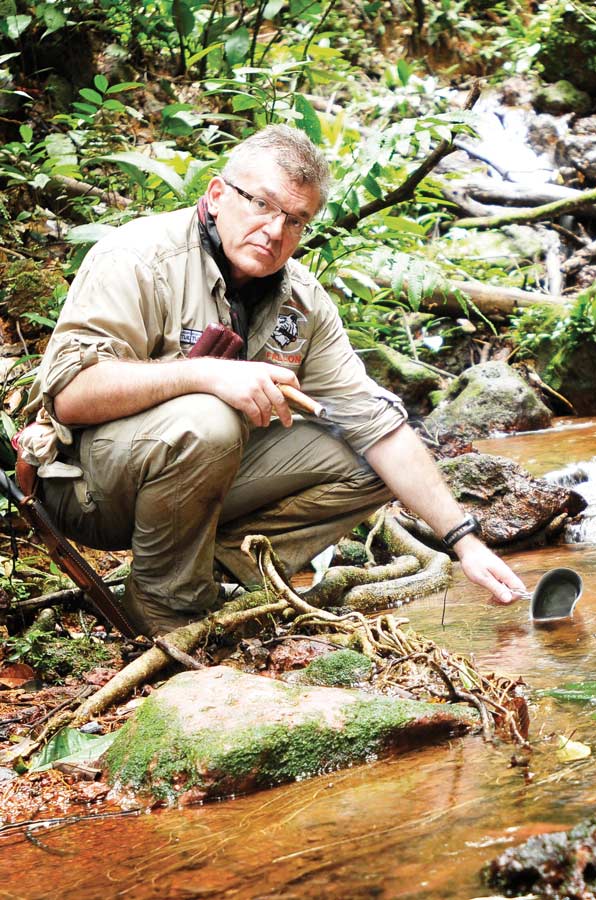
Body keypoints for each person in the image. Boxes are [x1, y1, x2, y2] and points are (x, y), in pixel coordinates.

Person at [24, 124, 525, 637]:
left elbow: (376, 425)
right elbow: (69, 396)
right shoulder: (138, 257)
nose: (274, 231)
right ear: (218, 195)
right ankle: (164, 610)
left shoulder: (302, 300)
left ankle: (222, 568)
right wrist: (208, 374)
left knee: (370, 457)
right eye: (261, 204)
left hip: (197, 480)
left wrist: (464, 541)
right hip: (87, 489)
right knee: (210, 416)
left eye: (294, 220)